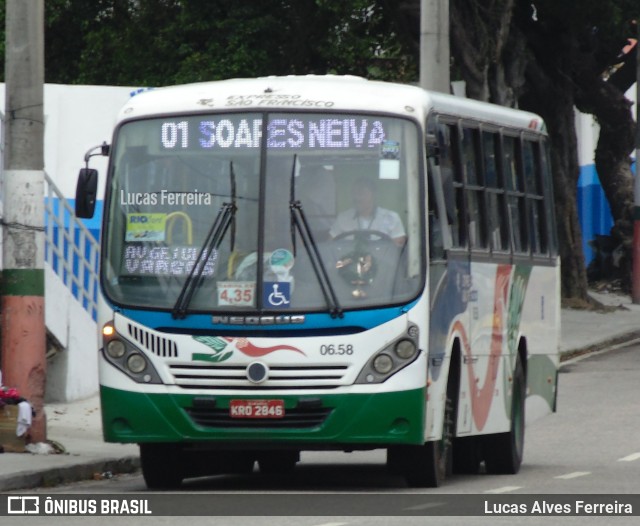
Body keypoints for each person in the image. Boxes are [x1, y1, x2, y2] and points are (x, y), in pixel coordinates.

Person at [329, 177, 407, 246]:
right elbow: (330, 243)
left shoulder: (391, 218)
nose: (357, 197)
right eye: (354, 193)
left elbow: (398, 249)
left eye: (362, 193)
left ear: (374, 195)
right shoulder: (343, 218)